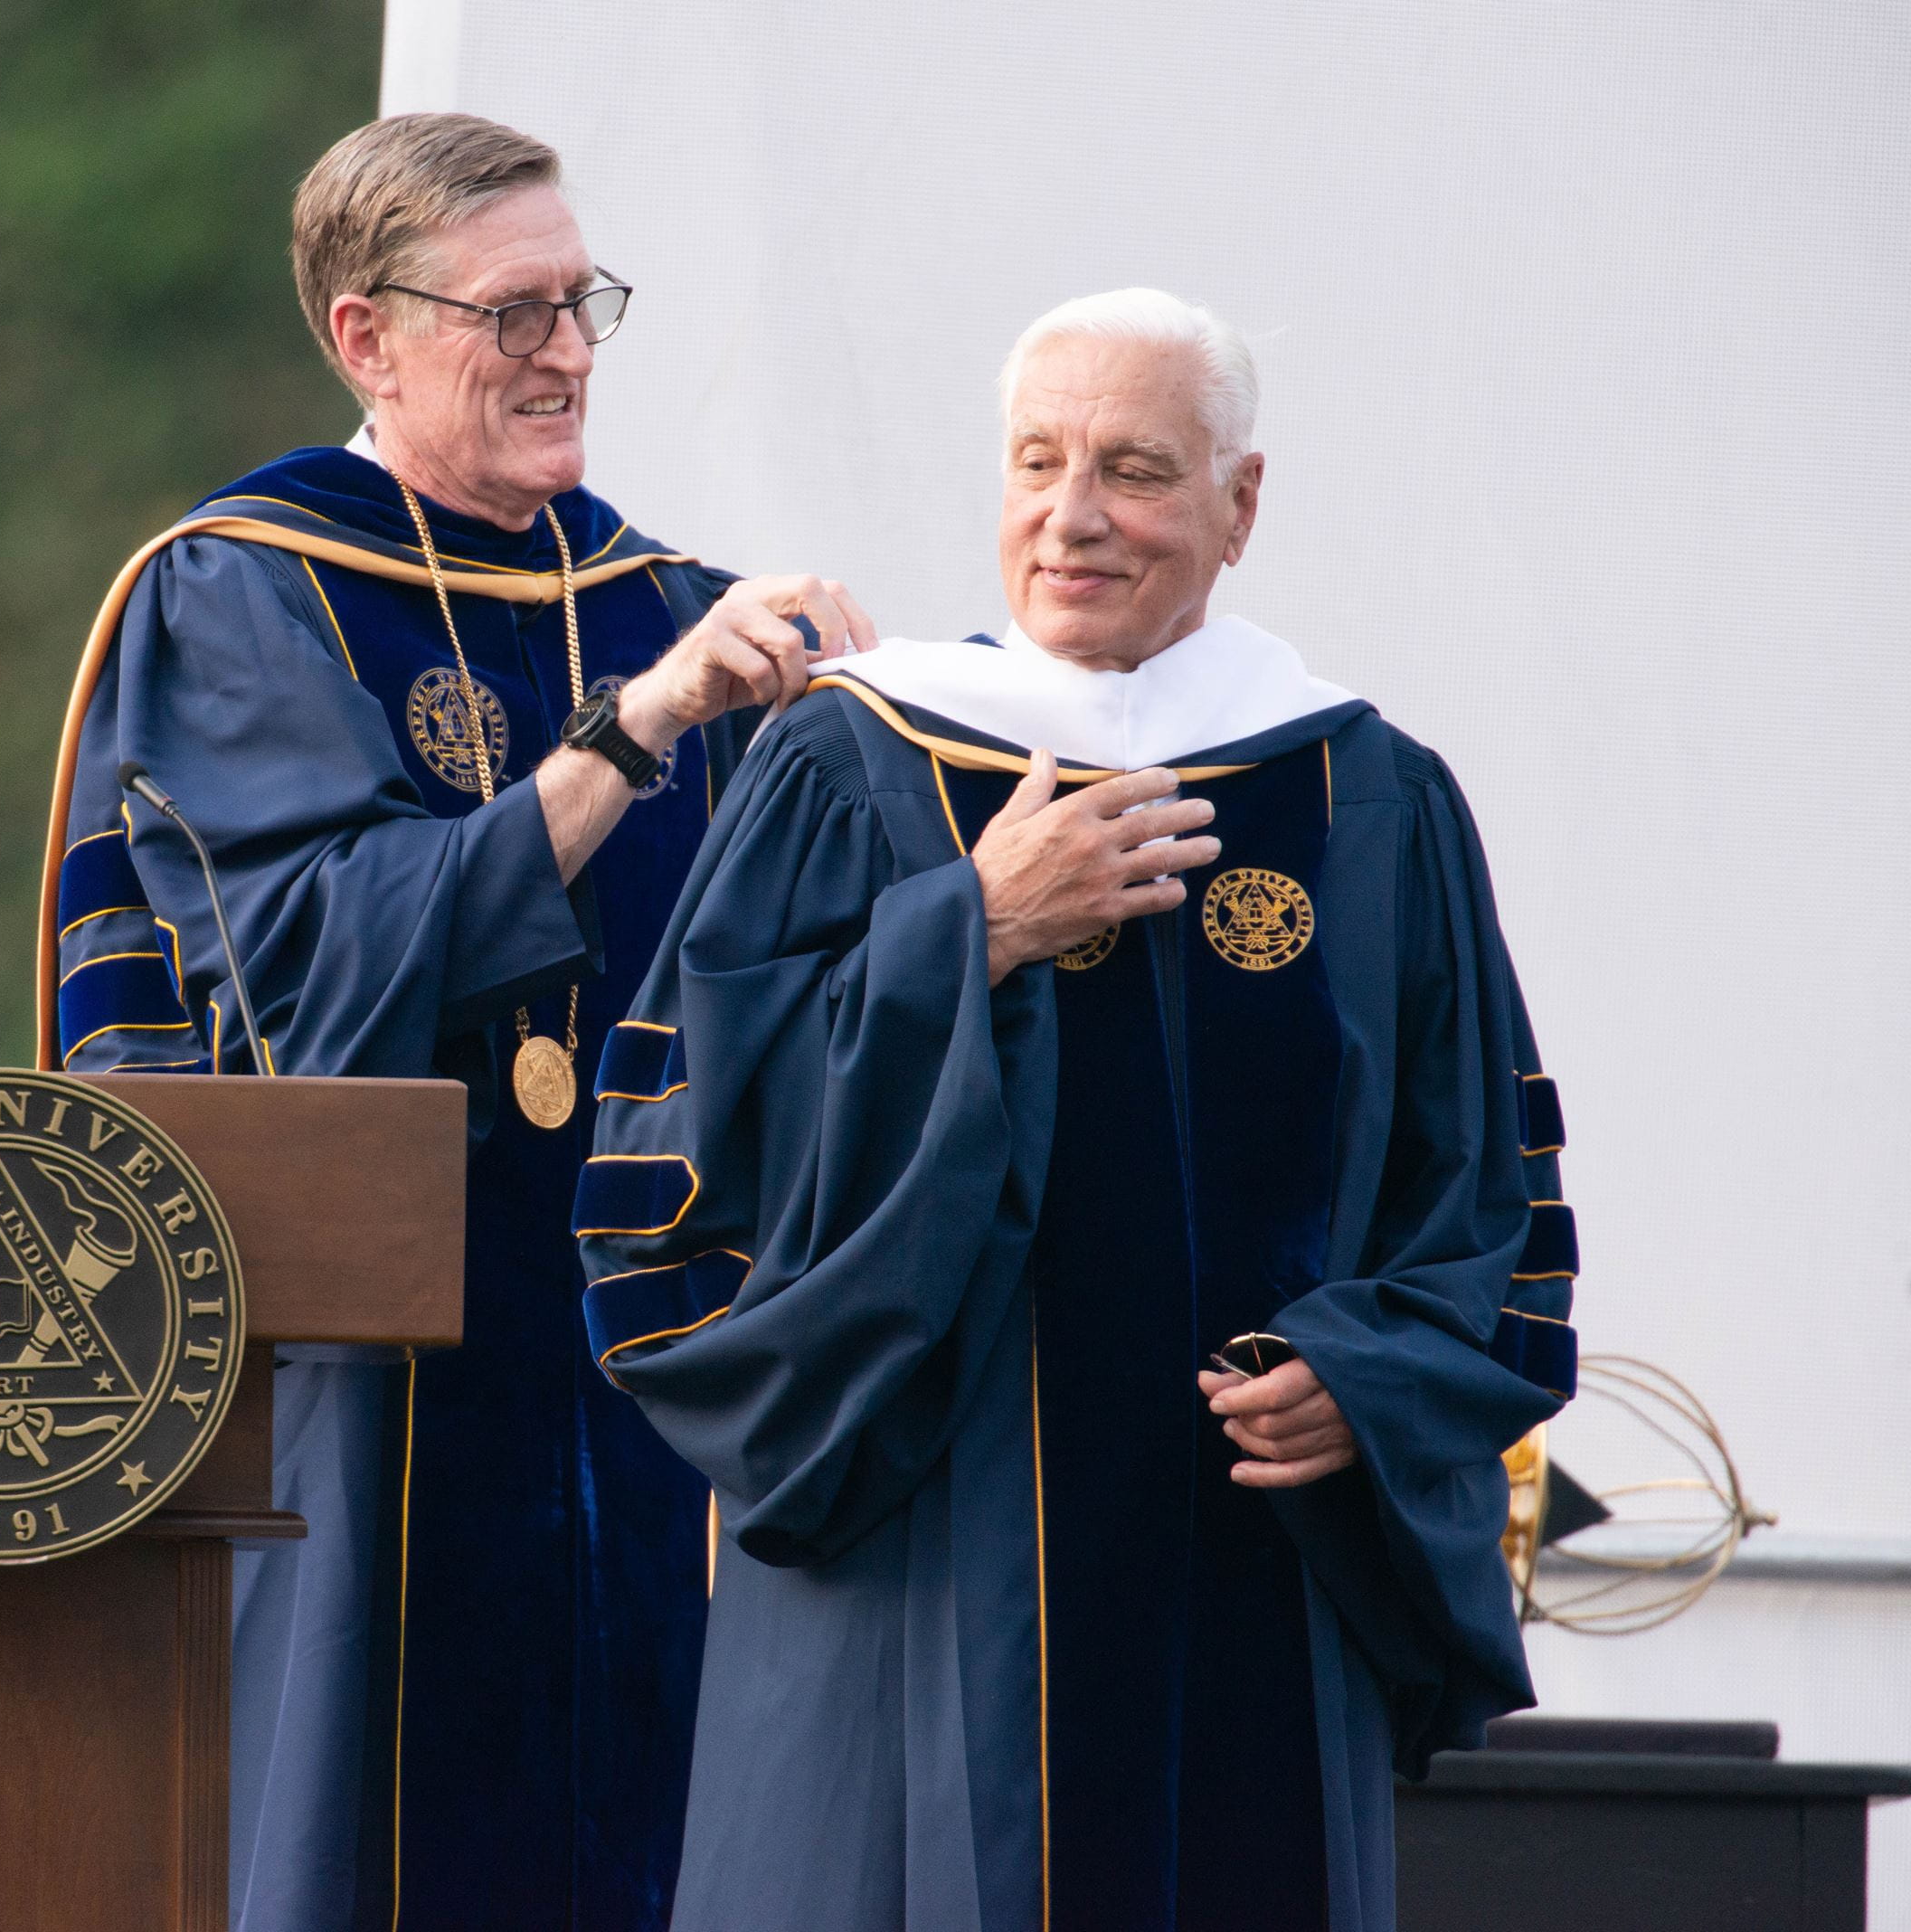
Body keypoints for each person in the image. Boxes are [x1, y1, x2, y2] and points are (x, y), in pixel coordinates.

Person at [578, 289, 1582, 1932]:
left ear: (1238, 506)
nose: (1074, 516)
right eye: (1038, 461)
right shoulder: (857, 765)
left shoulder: (1366, 796)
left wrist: (1369, 1379)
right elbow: (686, 1159)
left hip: (1249, 1570)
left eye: (1135, 469)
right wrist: (961, 933)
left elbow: (1484, 1211)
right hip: (927, 1546)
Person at [34, 112, 873, 1932]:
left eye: (583, 303)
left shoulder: (664, 605)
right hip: (375, 1400)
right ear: (366, 337)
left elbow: (818, 1011)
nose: (566, 350)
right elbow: (316, 977)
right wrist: (630, 737)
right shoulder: (244, 589)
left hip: (667, 1392)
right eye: (513, 312)